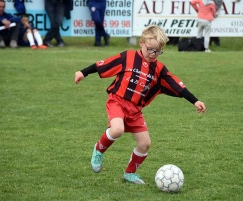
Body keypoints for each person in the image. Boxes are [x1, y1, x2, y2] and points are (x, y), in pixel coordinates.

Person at [74, 25, 206, 184]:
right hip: (117, 101)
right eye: (150, 49)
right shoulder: (128, 57)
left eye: (158, 51)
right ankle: (99, 150)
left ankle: (129, 173)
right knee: (117, 129)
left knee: (145, 144)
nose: (153, 54)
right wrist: (83, 72)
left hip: (135, 110)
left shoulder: (159, 69)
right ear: (141, 43)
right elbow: (104, 64)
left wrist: (195, 100)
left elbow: (176, 85)